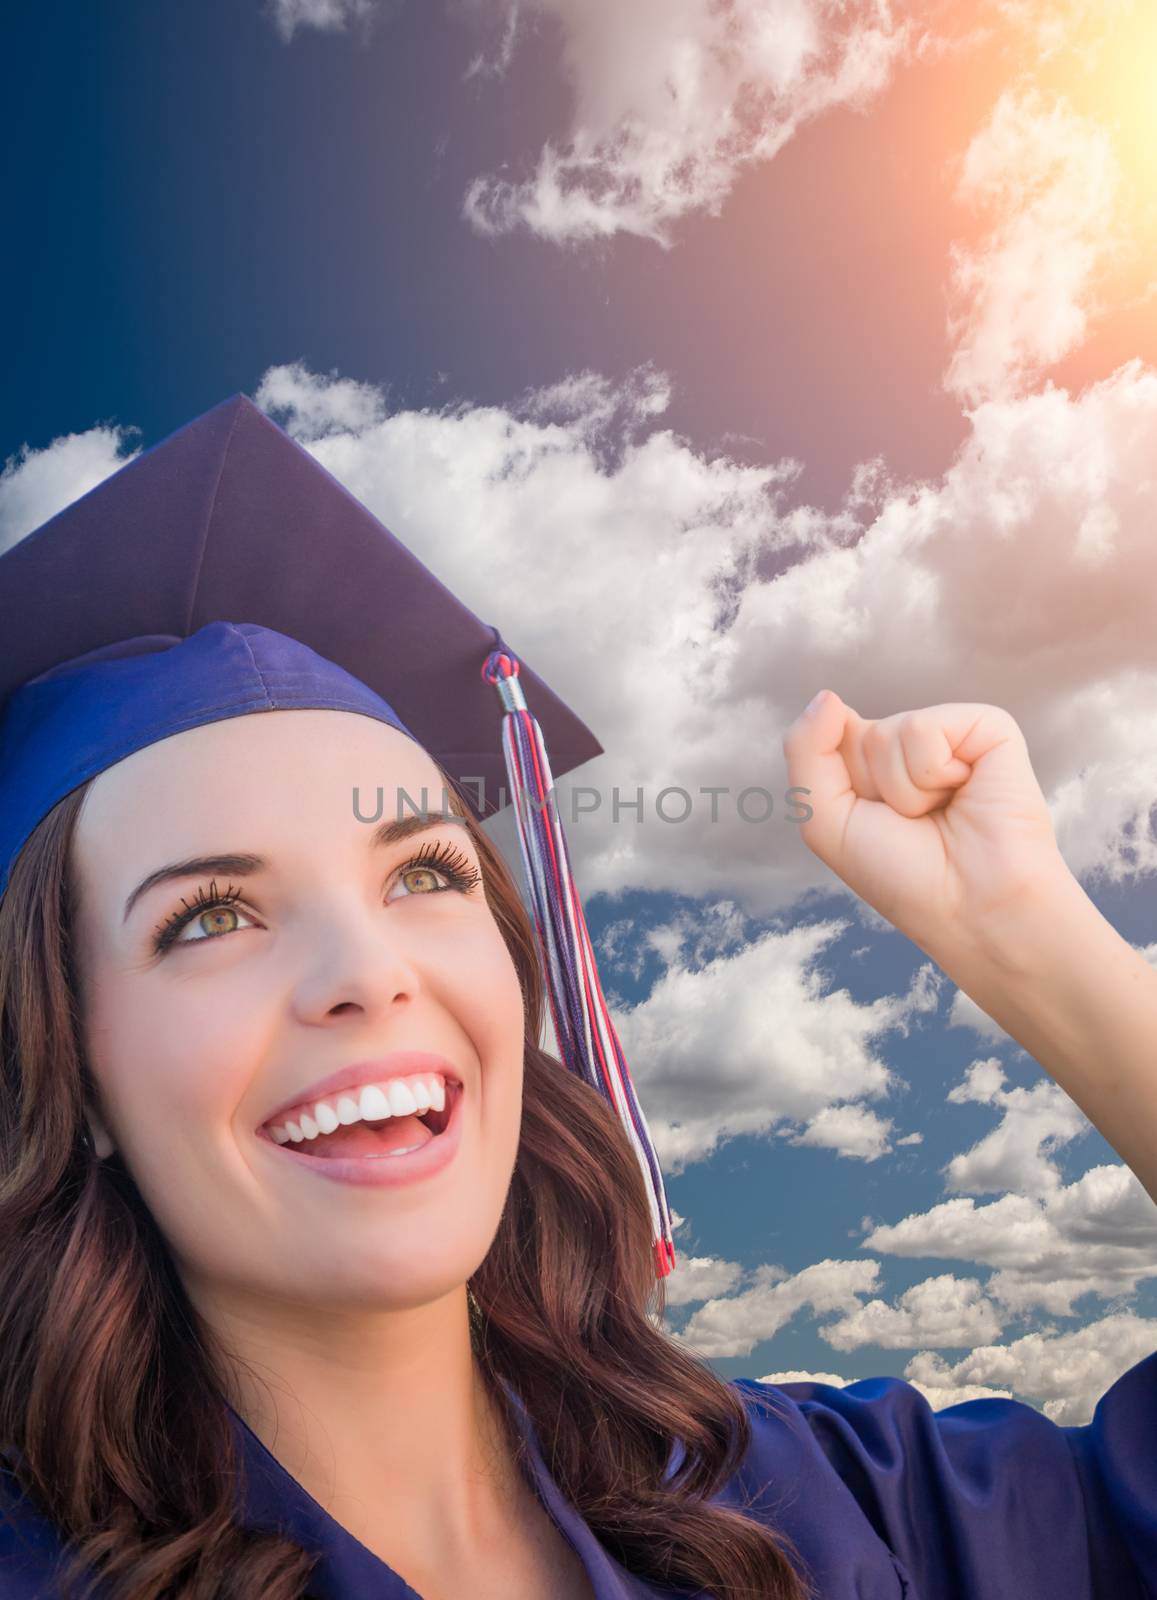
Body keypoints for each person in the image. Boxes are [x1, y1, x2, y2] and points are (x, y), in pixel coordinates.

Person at [0, 396, 1152, 1600]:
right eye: (211, 917)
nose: (367, 973)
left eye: (422, 873)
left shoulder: (814, 1503)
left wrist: (1028, 935)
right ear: (69, 1069)